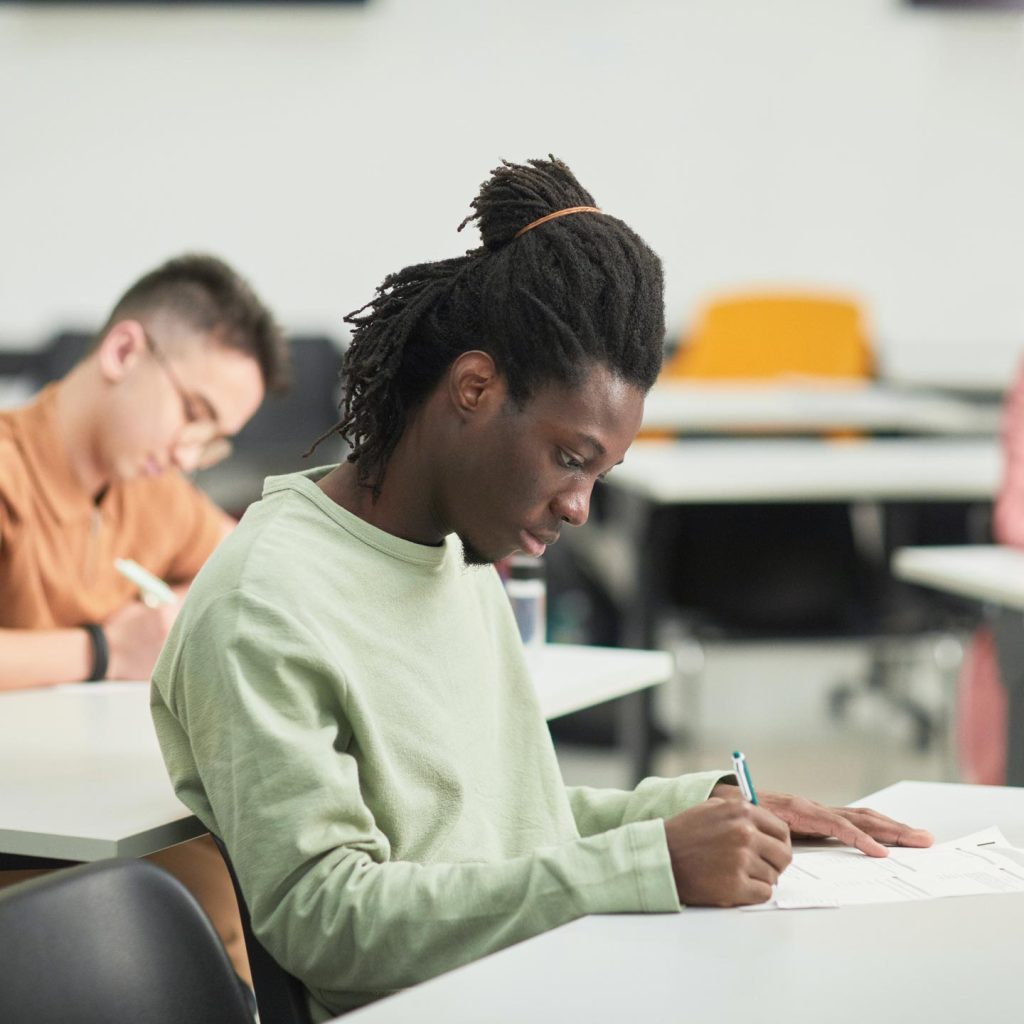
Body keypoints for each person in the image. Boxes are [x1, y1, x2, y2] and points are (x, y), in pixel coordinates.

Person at [150, 159, 933, 1019]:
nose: (580, 508)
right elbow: (324, 918)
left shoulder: (454, 545)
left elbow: (497, 828)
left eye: (601, 474)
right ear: (475, 389)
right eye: (571, 459)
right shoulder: (265, 601)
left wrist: (700, 810)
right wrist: (649, 863)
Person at [0, 252, 289, 984]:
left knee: (249, 879)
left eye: (214, 438)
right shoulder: (11, 467)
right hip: (29, 829)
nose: (190, 451)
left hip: (103, 802)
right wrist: (103, 649)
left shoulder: (148, 488)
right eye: (193, 414)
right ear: (125, 350)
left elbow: (251, 568)